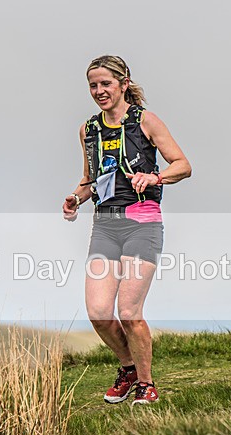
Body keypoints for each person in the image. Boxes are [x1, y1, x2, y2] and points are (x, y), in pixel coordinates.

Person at [62, 55, 191, 405]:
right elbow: (91, 180)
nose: (99, 91)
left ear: (123, 83)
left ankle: (147, 385)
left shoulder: (146, 121)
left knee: (129, 311)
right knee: (99, 313)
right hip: (105, 225)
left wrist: (156, 176)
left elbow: (183, 164)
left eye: (106, 84)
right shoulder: (88, 130)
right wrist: (76, 197)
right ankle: (128, 368)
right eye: (93, 85)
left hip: (142, 222)